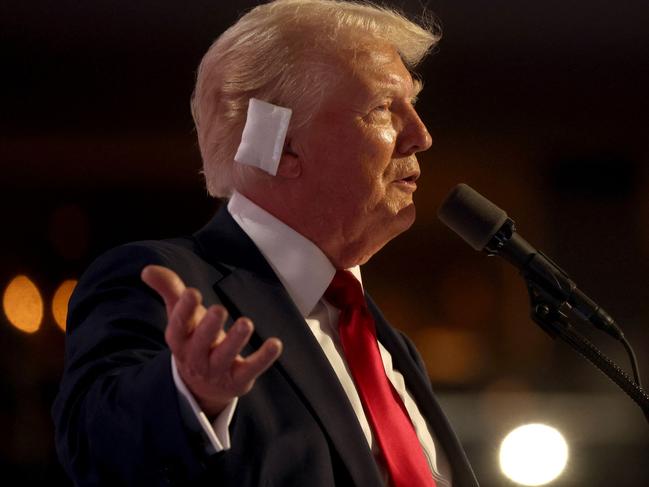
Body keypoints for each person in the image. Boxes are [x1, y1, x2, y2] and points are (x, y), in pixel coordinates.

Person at [53, 0, 479, 485]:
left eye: (413, 106)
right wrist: (188, 396)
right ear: (280, 145)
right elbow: (94, 448)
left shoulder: (387, 344)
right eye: (383, 108)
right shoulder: (167, 284)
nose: (421, 136)